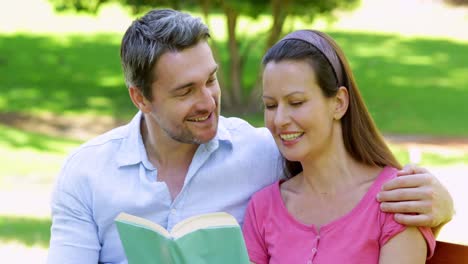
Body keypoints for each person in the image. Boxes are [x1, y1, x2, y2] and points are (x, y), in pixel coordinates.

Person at [47, 9, 453, 264]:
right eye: (186, 91)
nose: (208, 101)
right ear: (141, 98)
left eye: (211, 80)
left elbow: (345, 173)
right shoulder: (87, 173)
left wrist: (443, 203)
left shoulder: (263, 151)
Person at [242, 29, 437, 263]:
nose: (280, 119)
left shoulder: (396, 200)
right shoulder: (263, 208)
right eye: (271, 105)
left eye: (296, 102)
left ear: (339, 103)